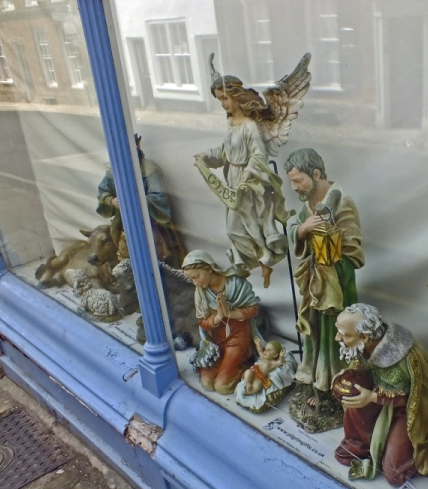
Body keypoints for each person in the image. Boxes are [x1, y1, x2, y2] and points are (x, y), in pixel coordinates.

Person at [333, 303, 428, 486]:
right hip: (377, 397)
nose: (337, 338)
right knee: (354, 399)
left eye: (344, 334)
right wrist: (348, 376)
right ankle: (360, 445)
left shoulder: (399, 357)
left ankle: (416, 452)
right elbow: (364, 367)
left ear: (364, 337)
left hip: (406, 410)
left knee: (394, 474)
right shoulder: (363, 344)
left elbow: (412, 396)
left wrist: (372, 397)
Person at [285, 148, 364, 430]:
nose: (294, 188)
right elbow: (296, 229)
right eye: (292, 182)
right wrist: (302, 230)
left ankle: (335, 387)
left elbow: (354, 250)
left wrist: (330, 243)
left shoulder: (342, 202)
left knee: (335, 338)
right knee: (313, 335)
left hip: (336, 289)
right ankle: (316, 382)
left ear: (316, 174)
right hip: (314, 287)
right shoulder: (309, 203)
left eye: (298, 181)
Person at [196, 70, 292, 288]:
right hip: (233, 180)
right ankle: (259, 261)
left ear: (236, 96)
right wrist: (208, 155)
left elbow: (259, 153)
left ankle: (264, 258)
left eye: (224, 98)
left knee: (240, 226)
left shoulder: (250, 125)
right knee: (241, 228)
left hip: (248, 183)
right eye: (219, 99)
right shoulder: (231, 122)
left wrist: (249, 171)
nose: (222, 103)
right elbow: (225, 150)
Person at [97, 135, 185, 268]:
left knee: (162, 238)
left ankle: (169, 264)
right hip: (124, 213)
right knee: (114, 230)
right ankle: (120, 262)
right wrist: (111, 200)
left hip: (149, 213)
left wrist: (138, 201)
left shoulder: (149, 169)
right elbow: (103, 191)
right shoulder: (112, 170)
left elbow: (158, 195)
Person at [182, 250, 260, 394]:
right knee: (207, 383)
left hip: (237, 337)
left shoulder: (235, 282)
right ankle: (231, 366)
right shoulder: (201, 292)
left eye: (196, 276)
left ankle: (247, 366)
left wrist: (229, 313)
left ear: (208, 268)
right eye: (191, 280)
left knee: (222, 386)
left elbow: (253, 309)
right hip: (216, 341)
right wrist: (218, 316)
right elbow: (203, 323)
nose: (195, 282)